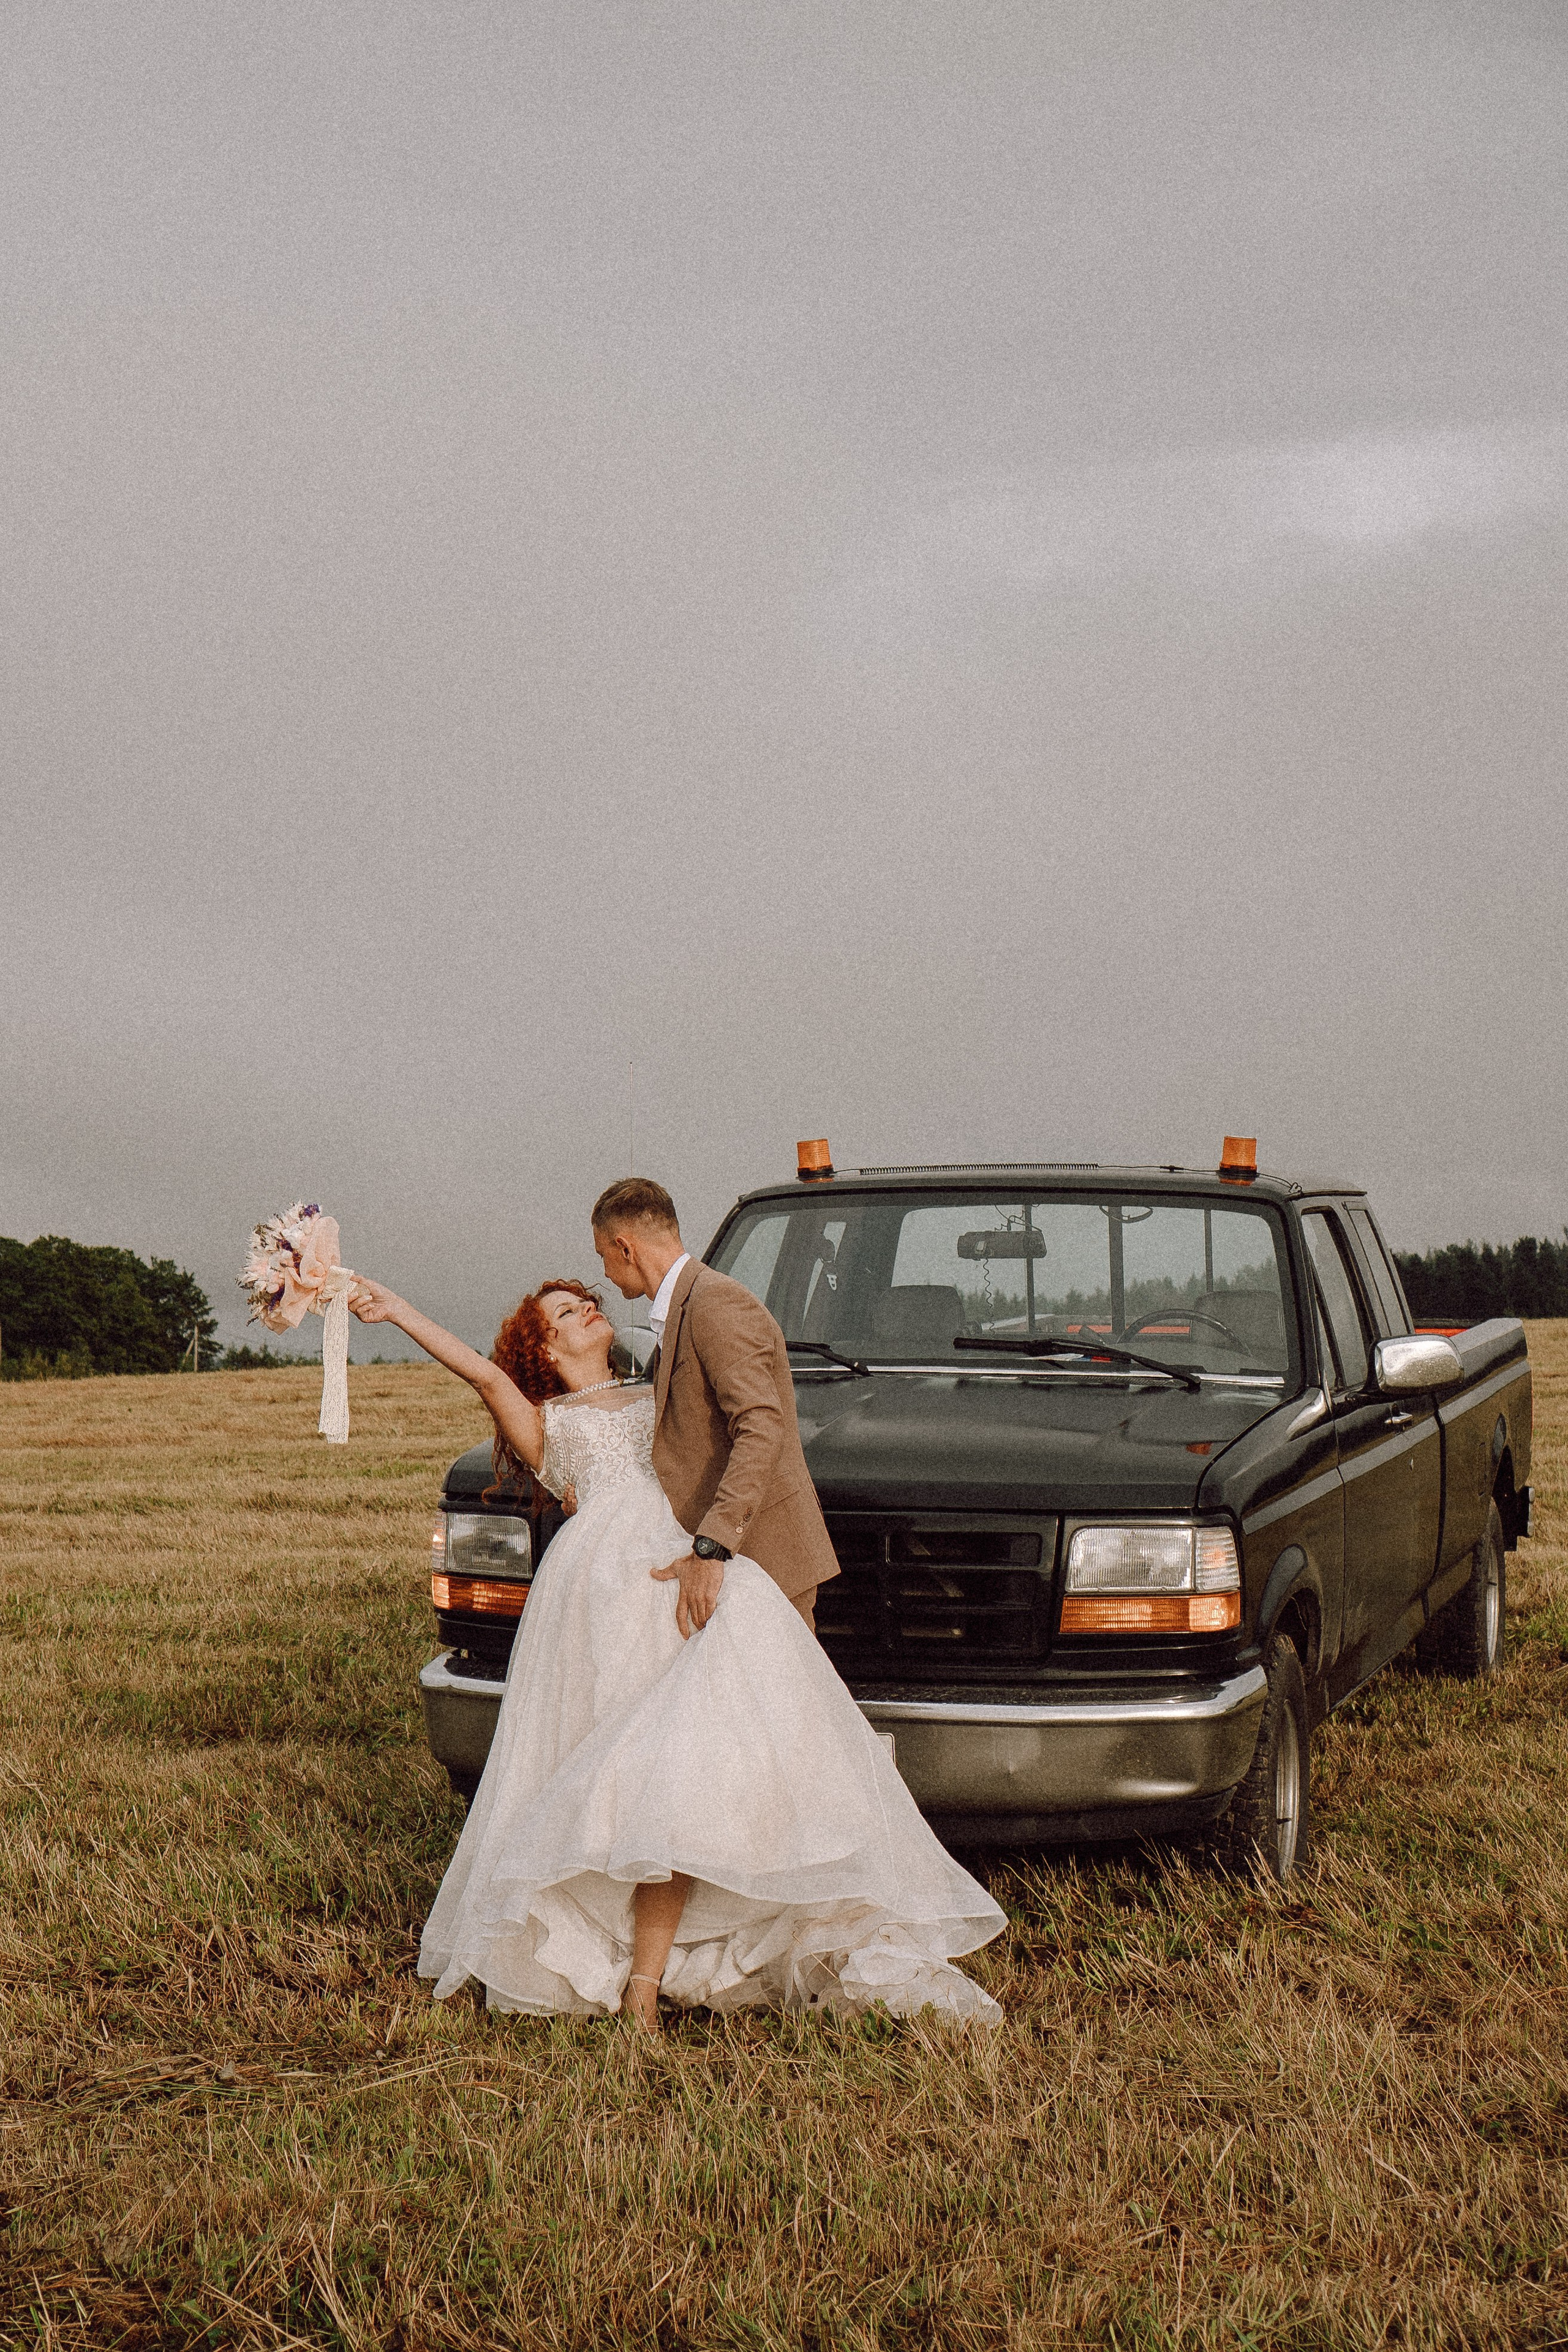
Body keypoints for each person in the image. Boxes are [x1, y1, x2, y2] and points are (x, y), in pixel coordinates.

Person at [348, 1199, 1004, 2029]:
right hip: (605, 1599)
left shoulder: (658, 1384)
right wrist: (392, 1307)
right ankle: (631, 1978)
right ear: (542, 1348)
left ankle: (664, 1974)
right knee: (630, 1777)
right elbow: (477, 1374)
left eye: (587, 1296)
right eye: (564, 1312)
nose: (587, 1307)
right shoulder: (545, 1422)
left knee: (692, 1769)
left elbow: (740, 1423)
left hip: (689, 1574)